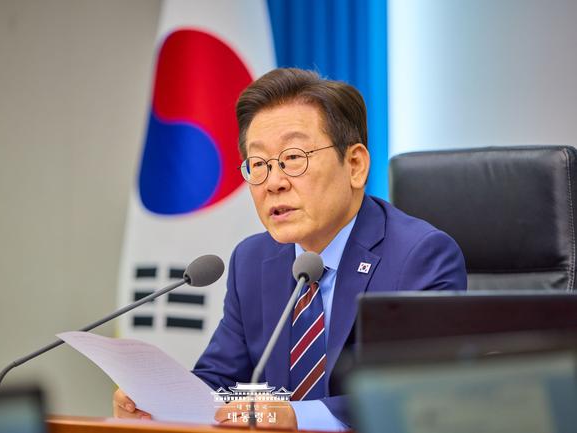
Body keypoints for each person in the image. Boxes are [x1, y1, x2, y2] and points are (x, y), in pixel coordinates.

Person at [113, 68, 467, 430]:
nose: (274, 183)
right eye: (258, 164)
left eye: (294, 158)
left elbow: (417, 393)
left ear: (355, 166)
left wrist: (297, 417)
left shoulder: (420, 257)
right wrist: (161, 402)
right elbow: (221, 380)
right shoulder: (252, 260)